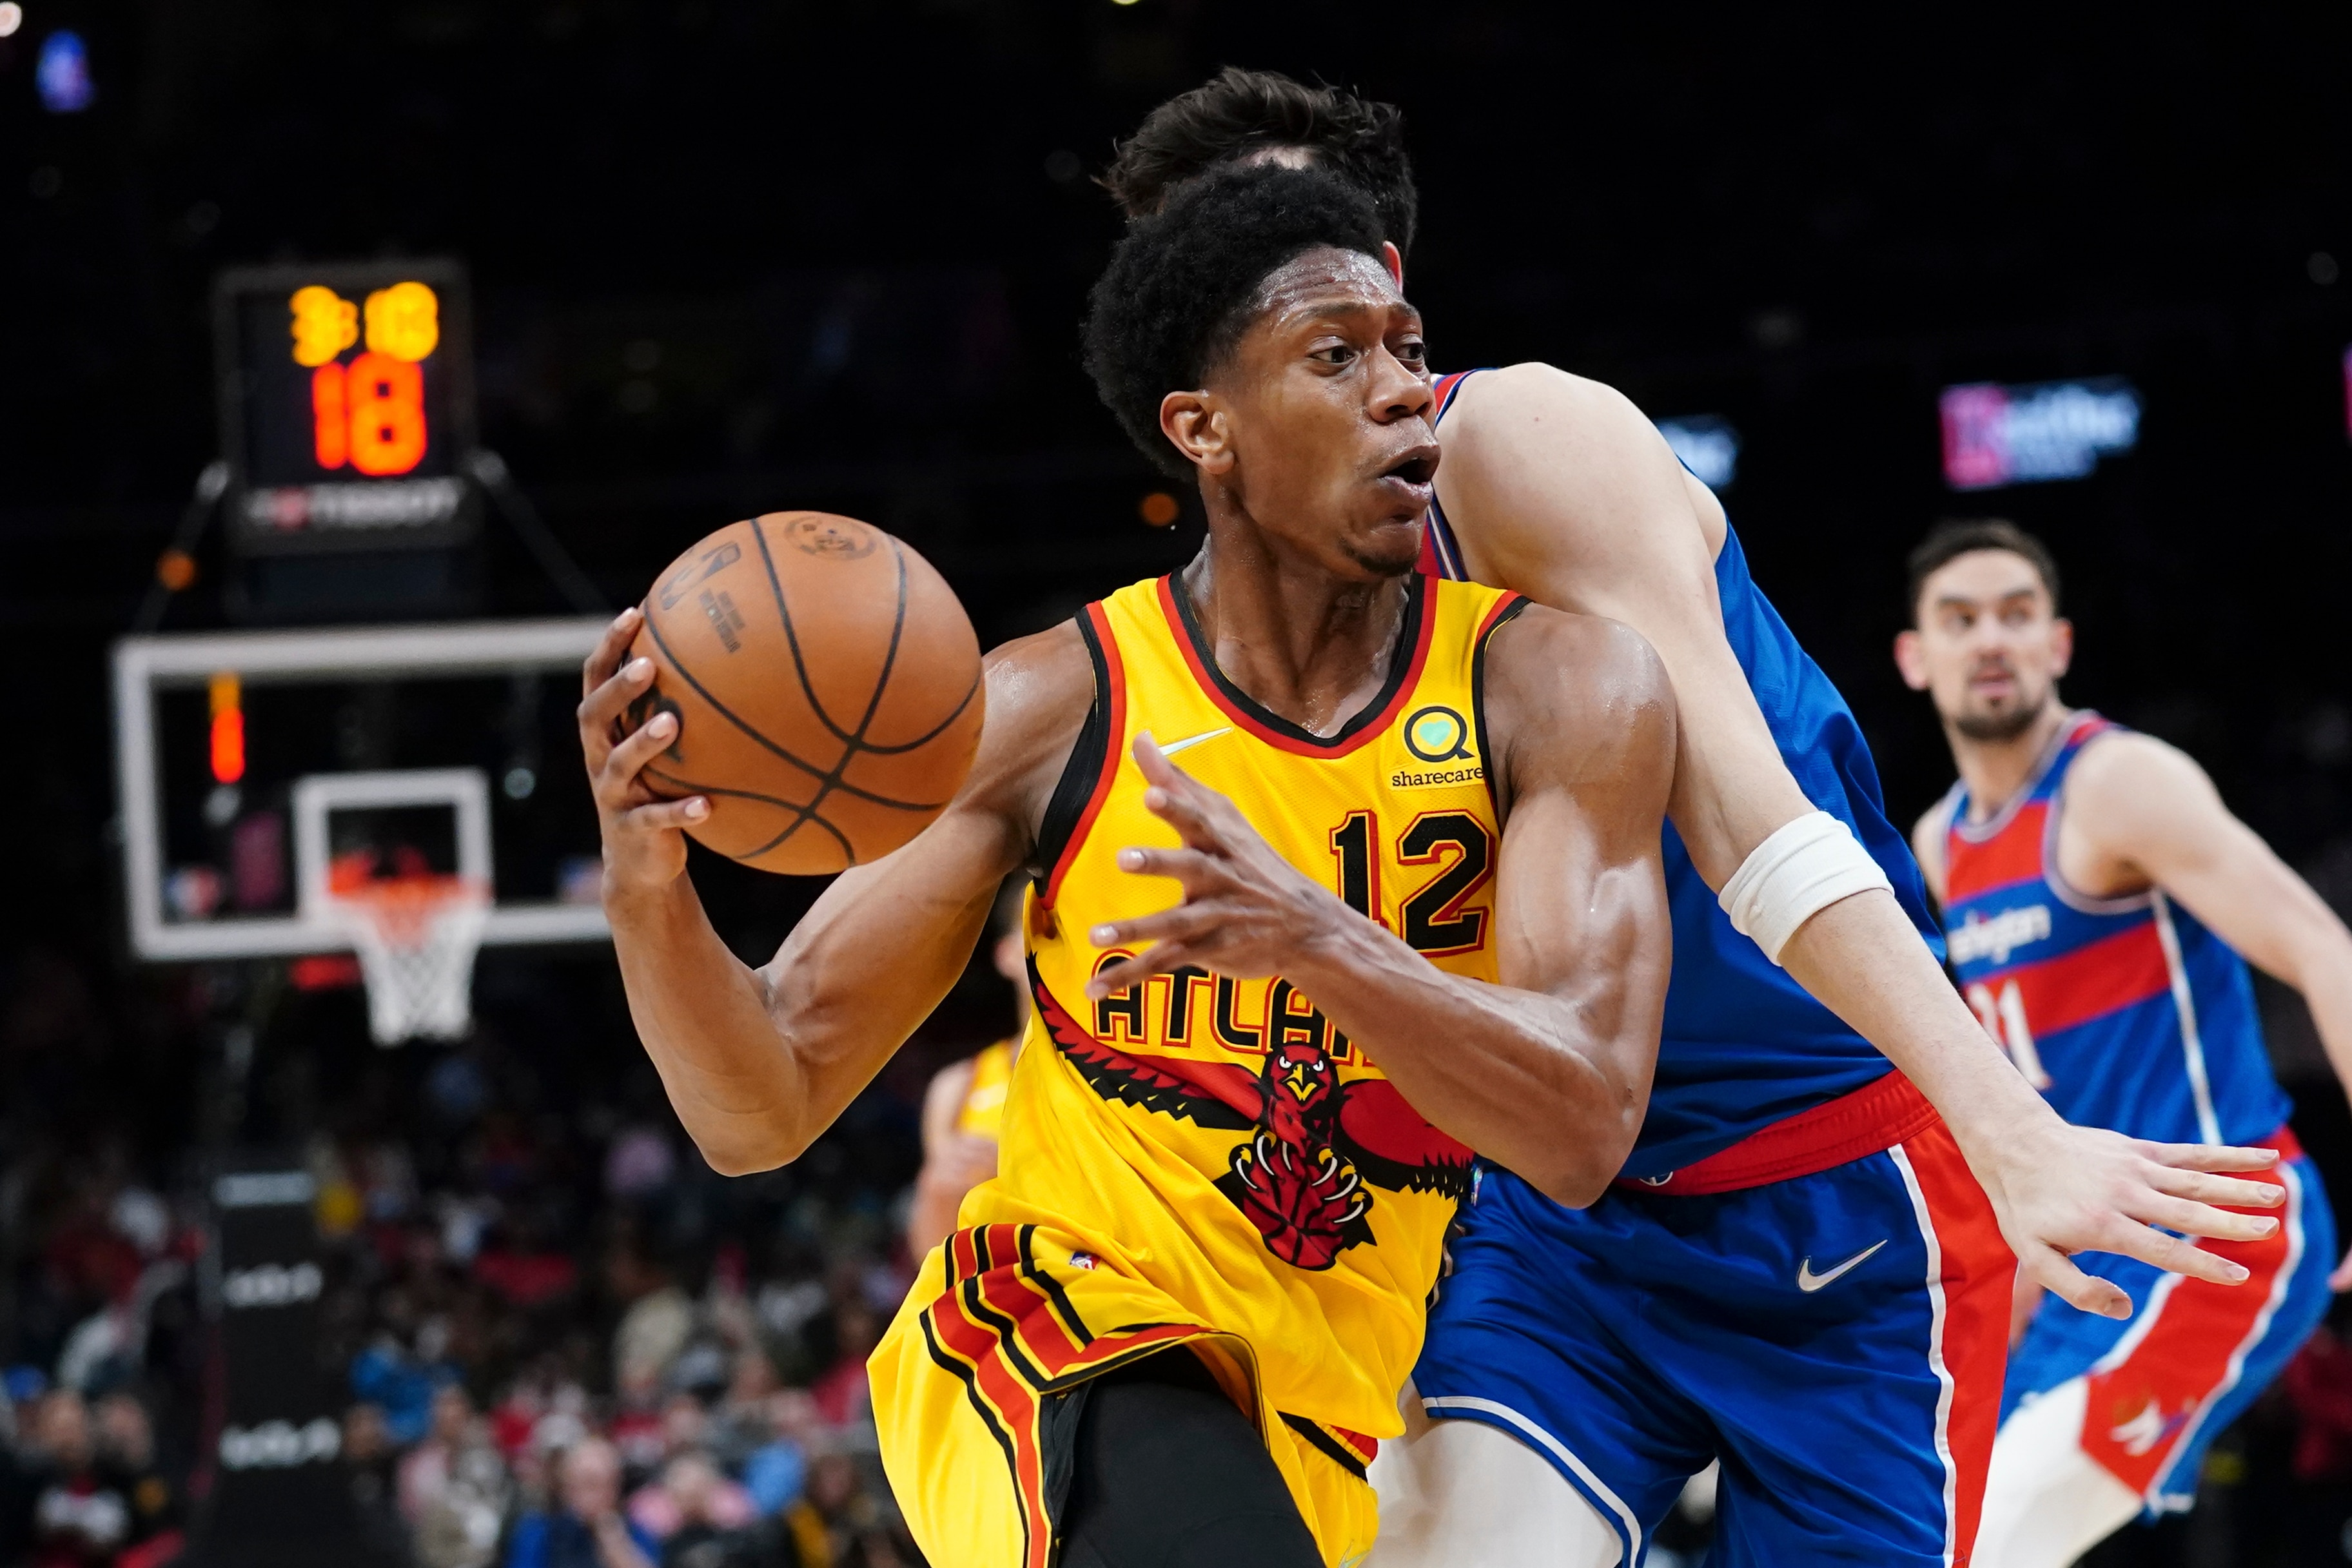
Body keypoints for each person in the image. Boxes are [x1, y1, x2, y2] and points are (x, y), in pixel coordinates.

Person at [1100, 68, 2288, 1567]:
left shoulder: (1523, 445)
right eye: (1207, 263)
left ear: (1385, 281)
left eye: (1292, 242)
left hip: (1847, 1195)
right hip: (1556, 1219)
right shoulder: (1201, 636)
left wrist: (2011, 1127)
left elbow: (1750, 820)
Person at [579, 162, 1678, 1567]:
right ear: (1202, 427)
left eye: (1409, 348)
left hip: (1319, 1423)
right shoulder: (1053, 708)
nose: (1406, 389)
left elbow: (1584, 1124)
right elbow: (766, 1098)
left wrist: (1317, 942)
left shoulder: (1560, 688)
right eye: (1336, 357)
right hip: (1048, 1336)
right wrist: (645, 885)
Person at [1897, 518, 2348, 1567]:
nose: (1989, 641)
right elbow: (2010, 1109)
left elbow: (2319, 946)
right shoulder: (1938, 839)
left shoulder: (2113, 783)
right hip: (2083, 1252)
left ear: (2057, 644)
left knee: (1994, 1540)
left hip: (2215, 1219)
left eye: (2015, 615)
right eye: (1958, 621)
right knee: (1932, 1528)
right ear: (1914, 658)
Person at [905, 882, 1028, 1259]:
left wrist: (1013, 1178)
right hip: (999, 1296)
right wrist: (938, 1191)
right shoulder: (958, 1086)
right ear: (1005, 955)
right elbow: (929, 1254)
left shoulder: (1124, 1075)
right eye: (1042, 930)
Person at [505, 1438, 659, 1568]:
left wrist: (617, 1548)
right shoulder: (538, 1531)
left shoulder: (636, 1534)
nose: (584, 1494)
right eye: (576, 1483)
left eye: (594, 1484)